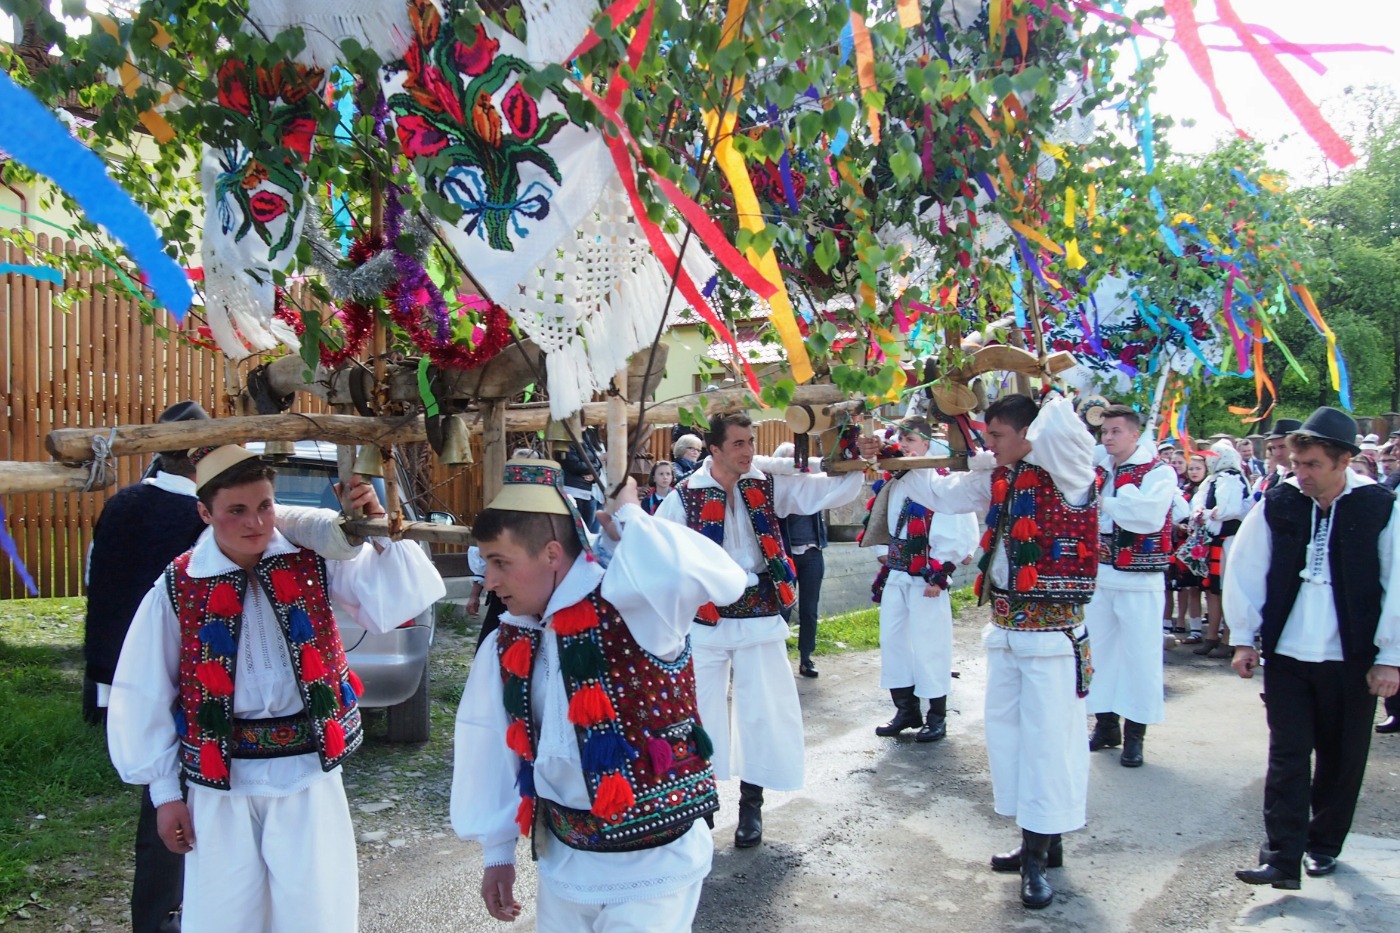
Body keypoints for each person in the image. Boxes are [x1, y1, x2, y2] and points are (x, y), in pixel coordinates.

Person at [106, 445, 445, 932]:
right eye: (237, 511)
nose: (256, 523)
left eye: (265, 506)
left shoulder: (313, 558)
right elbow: (143, 691)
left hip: (308, 774)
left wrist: (376, 531)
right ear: (205, 512)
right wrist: (165, 794)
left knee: (316, 915)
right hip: (221, 788)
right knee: (225, 918)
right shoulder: (178, 585)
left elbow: (394, 600)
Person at [451, 459, 745, 931]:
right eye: (486, 563)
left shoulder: (635, 604)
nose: (490, 581)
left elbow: (718, 578)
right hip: (565, 864)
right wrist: (498, 851)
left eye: (501, 562)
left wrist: (633, 517)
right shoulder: (509, 640)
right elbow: (486, 742)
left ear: (551, 553)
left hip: (655, 867)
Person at [860, 394, 1096, 910]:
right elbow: (940, 493)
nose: (988, 446)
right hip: (1007, 629)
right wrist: (895, 458)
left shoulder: (1071, 468)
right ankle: (1038, 837)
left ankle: (1039, 854)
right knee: (1007, 737)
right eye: (986, 437)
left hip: (1054, 638)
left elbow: (1061, 426)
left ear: (1031, 435)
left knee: (1048, 742)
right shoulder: (998, 477)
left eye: (997, 437)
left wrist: (1035, 383)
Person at [656, 413, 864, 849]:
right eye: (738, 444)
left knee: (762, 711)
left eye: (750, 441)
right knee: (701, 712)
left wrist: (851, 454)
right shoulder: (683, 497)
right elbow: (662, 556)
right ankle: (701, 804)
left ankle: (752, 804)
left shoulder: (770, 484)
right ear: (714, 450)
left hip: (761, 614)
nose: (749, 451)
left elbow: (832, 491)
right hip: (708, 622)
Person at [1224, 407, 1400, 889]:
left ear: (1344, 460)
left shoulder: (1378, 506)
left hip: (1353, 659)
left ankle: (1323, 844)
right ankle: (1281, 856)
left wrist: (1391, 656)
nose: (1300, 473)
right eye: (1297, 463)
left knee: (1342, 759)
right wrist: (1243, 638)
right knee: (1287, 754)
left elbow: (1398, 581)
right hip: (1289, 655)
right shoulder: (1280, 502)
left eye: (1312, 465)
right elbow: (1245, 568)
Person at [860, 418, 979, 740]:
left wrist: (939, 574)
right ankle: (906, 710)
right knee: (894, 643)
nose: (906, 445)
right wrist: (883, 553)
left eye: (911, 439)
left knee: (930, 646)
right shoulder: (899, 480)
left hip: (926, 579)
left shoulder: (942, 481)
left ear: (928, 444)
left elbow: (956, 528)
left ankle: (936, 716)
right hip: (897, 575)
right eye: (902, 439)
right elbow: (884, 518)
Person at [1082, 406, 1179, 768]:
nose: (1107, 438)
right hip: (1101, 573)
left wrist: (1105, 502)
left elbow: (1147, 516)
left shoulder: (1159, 472)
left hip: (1140, 577)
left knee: (1140, 655)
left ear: (1135, 434)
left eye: (1115, 431)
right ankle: (1106, 724)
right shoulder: (1100, 470)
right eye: (1104, 431)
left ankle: (1136, 734)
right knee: (1100, 651)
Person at [770, 442, 832, 679]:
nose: (794, 466)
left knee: (809, 609)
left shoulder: (811, 487)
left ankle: (806, 657)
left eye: (796, 460)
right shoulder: (776, 491)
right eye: (787, 460)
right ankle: (777, 657)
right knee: (783, 608)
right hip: (786, 557)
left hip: (812, 553)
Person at [1191, 440, 1249, 658]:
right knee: (1212, 590)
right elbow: (1199, 505)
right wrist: (1201, 513)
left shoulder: (1232, 478)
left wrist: (1205, 514)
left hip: (1229, 541)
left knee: (1228, 589)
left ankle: (1228, 638)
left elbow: (1227, 510)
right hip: (1212, 540)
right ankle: (1212, 636)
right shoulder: (1212, 480)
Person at [1172, 454, 1208, 642]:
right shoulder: (1184, 491)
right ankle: (1195, 630)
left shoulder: (1209, 489)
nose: (1194, 472)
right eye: (1191, 468)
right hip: (1187, 543)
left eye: (1198, 468)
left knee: (1210, 590)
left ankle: (1214, 629)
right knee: (1191, 588)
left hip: (1206, 543)